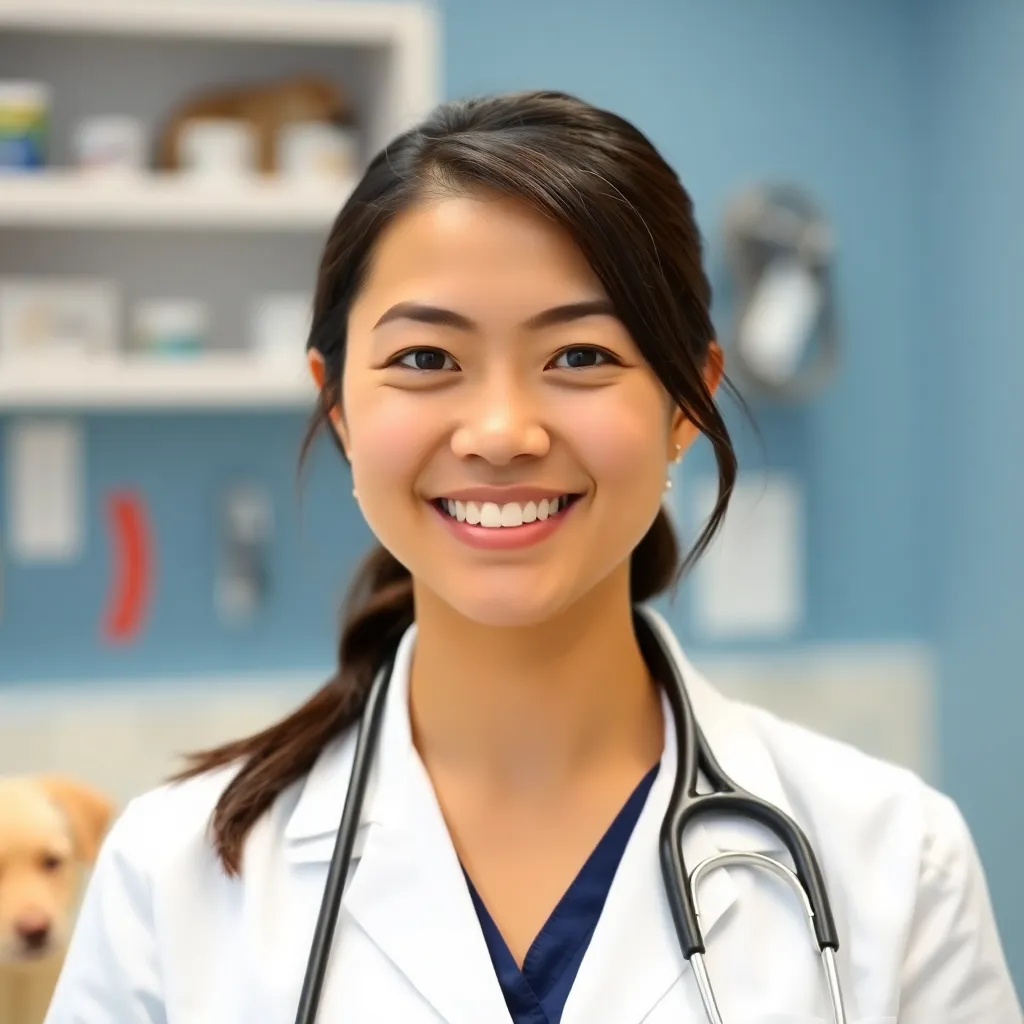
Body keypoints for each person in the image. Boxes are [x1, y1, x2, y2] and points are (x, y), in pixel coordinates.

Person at [44, 90, 1018, 1024]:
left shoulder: (892, 859)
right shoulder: (171, 875)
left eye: (579, 356)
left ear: (688, 400)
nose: (502, 431)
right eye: (425, 359)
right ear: (338, 404)